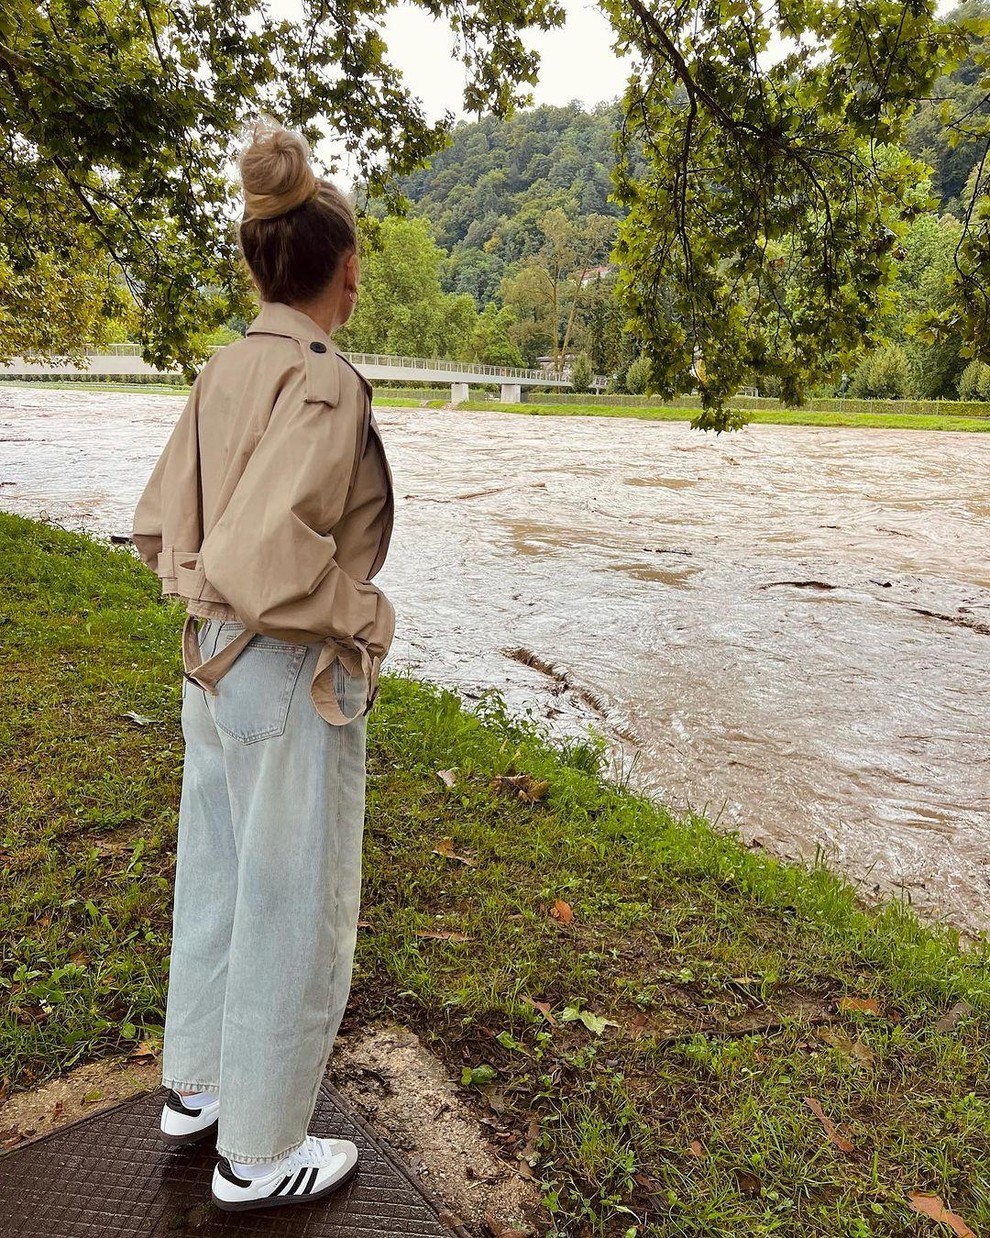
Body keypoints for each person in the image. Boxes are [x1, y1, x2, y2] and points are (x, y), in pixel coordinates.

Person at [131, 118, 395, 1213]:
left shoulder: (225, 367)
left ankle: (195, 1086)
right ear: (346, 269)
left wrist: (205, 592)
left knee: (222, 870)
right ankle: (261, 1148)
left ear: (257, 262)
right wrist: (362, 612)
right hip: (285, 666)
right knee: (294, 900)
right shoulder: (322, 380)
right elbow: (265, 553)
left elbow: (162, 528)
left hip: (207, 656)